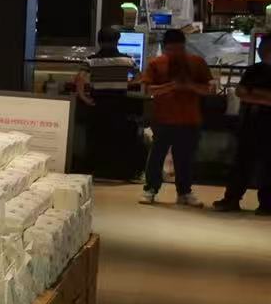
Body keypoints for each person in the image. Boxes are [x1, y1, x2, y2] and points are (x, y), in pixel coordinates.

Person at [139, 28, 213, 206]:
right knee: (157, 156)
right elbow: (148, 90)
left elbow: (208, 89)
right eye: (171, 49)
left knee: (185, 158)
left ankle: (184, 192)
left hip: (190, 119)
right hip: (162, 118)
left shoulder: (197, 62)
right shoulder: (156, 63)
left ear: (184, 46)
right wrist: (172, 86)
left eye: (179, 49)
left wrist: (189, 86)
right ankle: (150, 189)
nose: (176, 53)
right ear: (165, 48)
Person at [71, 27, 141, 181]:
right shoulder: (127, 60)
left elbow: (79, 79)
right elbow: (140, 78)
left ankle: (97, 171)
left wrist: (84, 97)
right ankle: (115, 171)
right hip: (119, 104)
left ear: (99, 41)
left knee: (97, 137)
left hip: (98, 103)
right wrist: (125, 84)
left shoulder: (91, 60)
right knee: (117, 137)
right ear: (117, 41)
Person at [215, 34, 271, 214]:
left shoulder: (255, 72)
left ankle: (267, 204)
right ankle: (232, 199)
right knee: (241, 163)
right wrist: (262, 97)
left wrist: (253, 94)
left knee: (267, 167)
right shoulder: (254, 69)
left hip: (267, 126)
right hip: (249, 124)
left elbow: (247, 93)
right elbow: (240, 91)